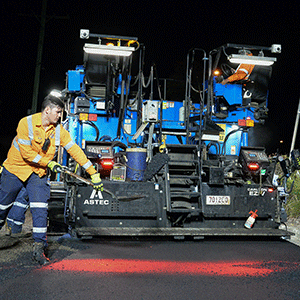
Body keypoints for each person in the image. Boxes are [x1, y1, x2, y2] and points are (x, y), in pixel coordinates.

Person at [0, 94, 103, 265]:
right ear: (47, 110)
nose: (60, 116)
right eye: (58, 112)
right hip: (15, 170)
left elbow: (74, 150)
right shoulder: (26, 123)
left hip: (38, 173)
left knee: (40, 209)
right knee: (2, 206)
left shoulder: (59, 131)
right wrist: (50, 163)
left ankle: (39, 248)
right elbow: (26, 154)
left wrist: (93, 173)